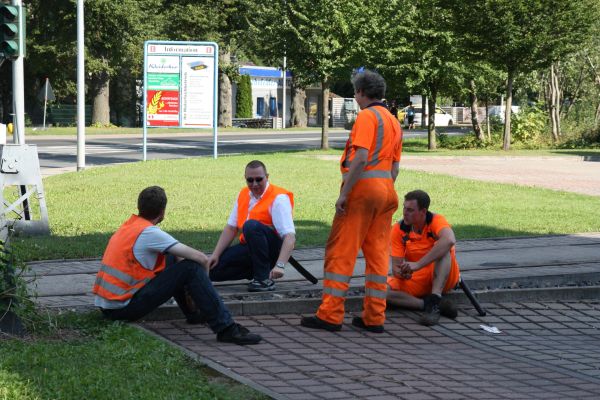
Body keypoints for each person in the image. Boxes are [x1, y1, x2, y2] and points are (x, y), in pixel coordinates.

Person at [92, 186, 262, 345]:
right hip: (123, 308)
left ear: (139, 207)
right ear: (163, 211)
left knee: (175, 259)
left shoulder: (130, 226)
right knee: (191, 268)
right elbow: (201, 259)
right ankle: (226, 328)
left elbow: (177, 254)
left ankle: (194, 313)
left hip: (108, 306)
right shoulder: (149, 232)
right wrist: (205, 286)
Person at [301, 69, 402, 333]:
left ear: (360, 92)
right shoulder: (393, 121)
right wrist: (383, 189)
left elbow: (360, 158)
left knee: (341, 252)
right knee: (378, 256)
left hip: (362, 192)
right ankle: (374, 318)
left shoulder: (368, 117)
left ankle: (330, 315)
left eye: (355, 92)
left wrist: (344, 193)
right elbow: (394, 168)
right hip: (387, 192)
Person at [208, 160, 295, 292]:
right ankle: (256, 271)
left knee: (251, 226)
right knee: (212, 271)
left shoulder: (279, 198)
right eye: (250, 180)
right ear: (245, 179)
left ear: (267, 177)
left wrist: (280, 265)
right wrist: (215, 254)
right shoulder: (243, 194)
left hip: (274, 251)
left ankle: (263, 279)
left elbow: (290, 237)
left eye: (259, 179)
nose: (254, 184)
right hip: (250, 248)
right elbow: (231, 228)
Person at [387, 190, 460, 326]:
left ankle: (435, 297)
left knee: (443, 251)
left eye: (410, 210)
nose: (405, 213)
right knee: (380, 291)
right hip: (417, 278)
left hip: (444, 275)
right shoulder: (398, 229)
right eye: (404, 208)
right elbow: (396, 269)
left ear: (423, 211)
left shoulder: (436, 220)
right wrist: (402, 272)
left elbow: (450, 240)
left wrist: (418, 264)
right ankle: (429, 304)